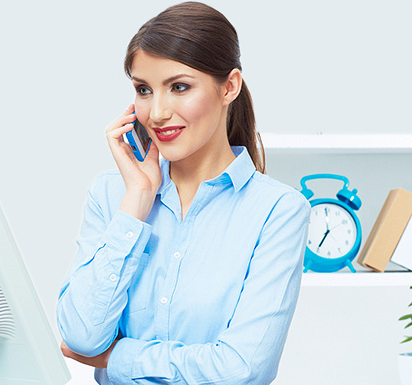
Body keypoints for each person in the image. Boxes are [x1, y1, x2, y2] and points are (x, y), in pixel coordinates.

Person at [56, 2, 310, 384]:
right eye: (144, 90)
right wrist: (136, 203)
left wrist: (119, 357)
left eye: (179, 87)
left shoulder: (278, 211)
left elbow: (242, 370)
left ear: (229, 87)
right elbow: (81, 337)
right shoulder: (112, 194)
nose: (156, 113)